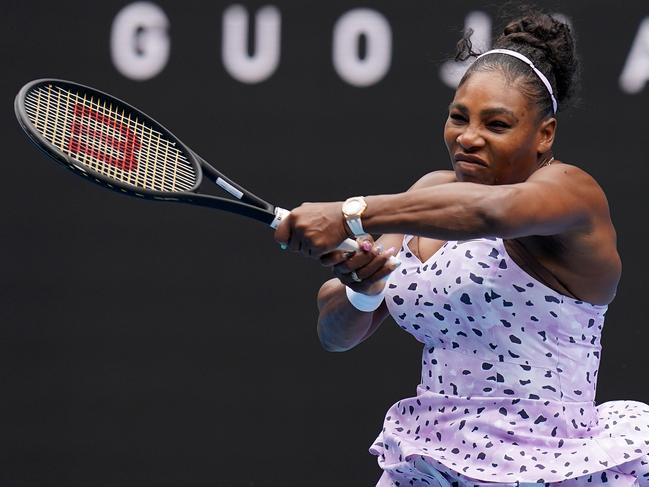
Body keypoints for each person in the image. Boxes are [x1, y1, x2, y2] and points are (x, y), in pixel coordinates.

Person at [274, 9, 649, 487]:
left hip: (551, 468)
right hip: (429, 467)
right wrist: (361, 288)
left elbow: (491, 213)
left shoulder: (570, 191)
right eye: (458, 117)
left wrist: (351, 213)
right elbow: (337, 334)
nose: (468, 138)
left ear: (545, 134)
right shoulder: (429, 194)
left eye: (496, 124)